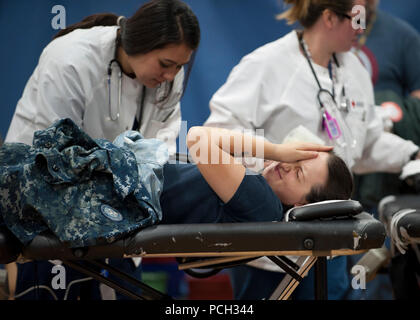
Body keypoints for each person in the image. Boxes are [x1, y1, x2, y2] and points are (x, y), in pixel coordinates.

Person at [204, 0, 420, 300]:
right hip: (270, 245)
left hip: (331, 236)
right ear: (329, 17)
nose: (363, 28)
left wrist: (412, 155)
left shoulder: (353, 69)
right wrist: (274, 154)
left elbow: (367, 142)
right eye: (357, 19)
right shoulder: (267, 64)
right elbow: (217, 138)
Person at [3, 0, 200, 300]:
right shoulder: (71, 58)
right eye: (165, 64)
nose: (172, 75)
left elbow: (158, 154)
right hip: (49, 210)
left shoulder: (169, 80)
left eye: (179, 66)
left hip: (119, 219)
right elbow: (56, 157)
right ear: (141, 42)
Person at [350, 0, 420, 300]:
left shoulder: (402, 36)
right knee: (345, 270)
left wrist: (391, 115)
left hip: (386, 181)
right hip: (340, 175)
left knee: (379, 267)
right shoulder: (327, 41)